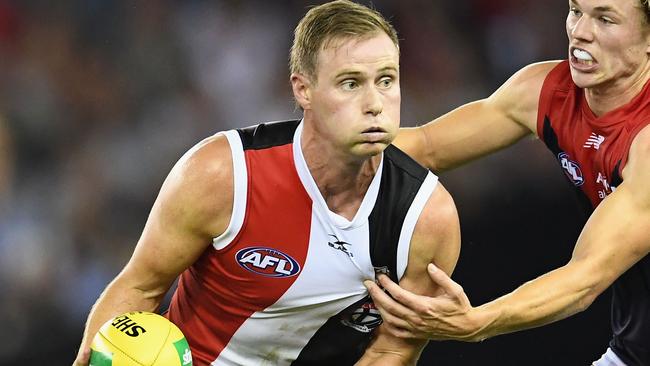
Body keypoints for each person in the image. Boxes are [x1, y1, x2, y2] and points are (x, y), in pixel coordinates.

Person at [72, 1, 461, 365]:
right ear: (302, 89)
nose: (375, 102)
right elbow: (140, 288)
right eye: (350, 83)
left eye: (387, 80)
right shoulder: (222, 174)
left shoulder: (428, 218)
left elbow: (390, 352)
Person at [364, 0, 650, 364]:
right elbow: (427, 144)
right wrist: (307, 148)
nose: (580, 32)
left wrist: (477, 322)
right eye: (576, 11)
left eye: (605, 19)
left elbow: (584, 278)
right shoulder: (547, 90)